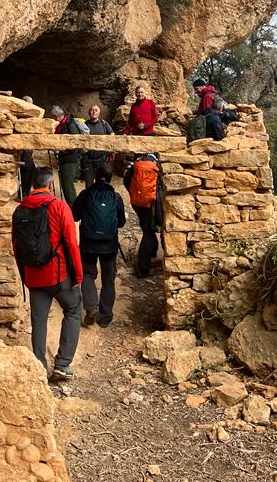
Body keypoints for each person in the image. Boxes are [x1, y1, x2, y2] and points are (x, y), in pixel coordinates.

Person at [12, 168, 83, 380]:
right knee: (73, 310)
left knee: (39, 319)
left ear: (33, 185)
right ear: (50, 185)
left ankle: (39, 368)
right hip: (58, 274)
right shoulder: (59, 206)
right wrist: (78, 276)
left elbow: (16, 246)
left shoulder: (20, 209)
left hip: (33, 275)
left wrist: (24, 275)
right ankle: (62, 364)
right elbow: (71, 243)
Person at [71, 164, 125, 327]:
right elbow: (121, 222)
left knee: (88, 274)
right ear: (110, 179)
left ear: (95, 177)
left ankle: (91, 308)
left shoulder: (86, 194)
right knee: (108, 278)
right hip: (109, 245)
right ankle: (105, 316)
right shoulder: (116, 197)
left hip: (88, 243)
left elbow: (74, 216)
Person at [123, 152, 164, 278]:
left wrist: (136, 194)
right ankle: (143, 269)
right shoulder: (156, 164)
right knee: (148, 233)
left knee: (147, 228)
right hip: (151, 204)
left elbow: (126, 181)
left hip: (138, 203)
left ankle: (152, 251)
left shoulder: (136, 164)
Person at [49, 106, 84, 205]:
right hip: (65, 159)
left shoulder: (70, 125)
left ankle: (73, 207)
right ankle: (71, 206)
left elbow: (74, 145)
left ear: (56, 117)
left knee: (67, 185)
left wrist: (60, 151)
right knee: (65, 184)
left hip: (69, 159)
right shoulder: (64, 123)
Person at [81, 104, 114, 188]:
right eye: (92, 110)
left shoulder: (104, 124)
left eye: (96, 110)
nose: (94, 112)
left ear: (99, 113)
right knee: (89, 185)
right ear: (89, 113)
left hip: (102, 159)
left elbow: (112, 135)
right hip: (88, 160)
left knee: (102, 183)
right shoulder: (84, 125)